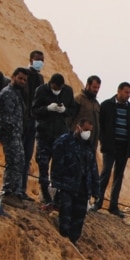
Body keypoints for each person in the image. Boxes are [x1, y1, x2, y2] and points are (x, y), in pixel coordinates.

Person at [50, 119, 100, 244]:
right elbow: (56, 163)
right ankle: (64, 243)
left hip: (83, 189)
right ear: (78, 127)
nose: (87, 133)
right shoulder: (64, 141)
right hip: (66, 186)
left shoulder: (89, 147)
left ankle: (73, 242)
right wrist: (55, 183)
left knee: (78, 220)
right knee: (65, 216)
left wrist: (96, 190)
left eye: (90, 131)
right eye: (86, 130)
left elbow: (93, 169)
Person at [96, 81, 130, 217]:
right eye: (126, 92)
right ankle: (98, 201)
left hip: (123, 148)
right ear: (119, 91)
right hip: (110, 146)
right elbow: (100, 125)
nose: (128, 95)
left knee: (118, 176)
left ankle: (113, 206)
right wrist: (103, 139)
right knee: (105, 173)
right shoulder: (106, 105)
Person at [31, 73, 76, 203]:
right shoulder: (41, 91)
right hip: (44, 135)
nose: (57, 90)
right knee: (43, 165)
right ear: (50, 84)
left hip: (60, 136)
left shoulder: (67, 91)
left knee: (58, 168)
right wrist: (47, 108)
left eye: (60, 88)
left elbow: (72, 110)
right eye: (55, 87)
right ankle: (45, 195)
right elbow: (34, 111)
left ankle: (55, 198)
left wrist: (64, 110)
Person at [0, 68, 30, 205]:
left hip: (16, 134)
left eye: (24, 80)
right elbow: (5, 118)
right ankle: (9, 191)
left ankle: (16, 192)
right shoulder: (8, 93)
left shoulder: (17, 94)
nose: (22, 81)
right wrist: (10, 133)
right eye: (20, 78)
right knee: (14, 161)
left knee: (20, 161)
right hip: (9, 134)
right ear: (13, 77)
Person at [22, 50, 45, 195]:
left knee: (27, 156)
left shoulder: (40, 78)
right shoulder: (24, 74)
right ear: (30, 60)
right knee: (19, 155)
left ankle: (22, 190)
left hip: (34, 121)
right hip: (23, 120)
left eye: (42, 60)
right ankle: (14, 188)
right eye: (37, 59)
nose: (40, 62)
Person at [71, 75, 101, 153]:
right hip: (77, 142)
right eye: (94, 87)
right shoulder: (78, 99)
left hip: (91, 144)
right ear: (87, 85)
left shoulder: (96, 104)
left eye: (98, 88)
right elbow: (70, 119)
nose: (96, 90)